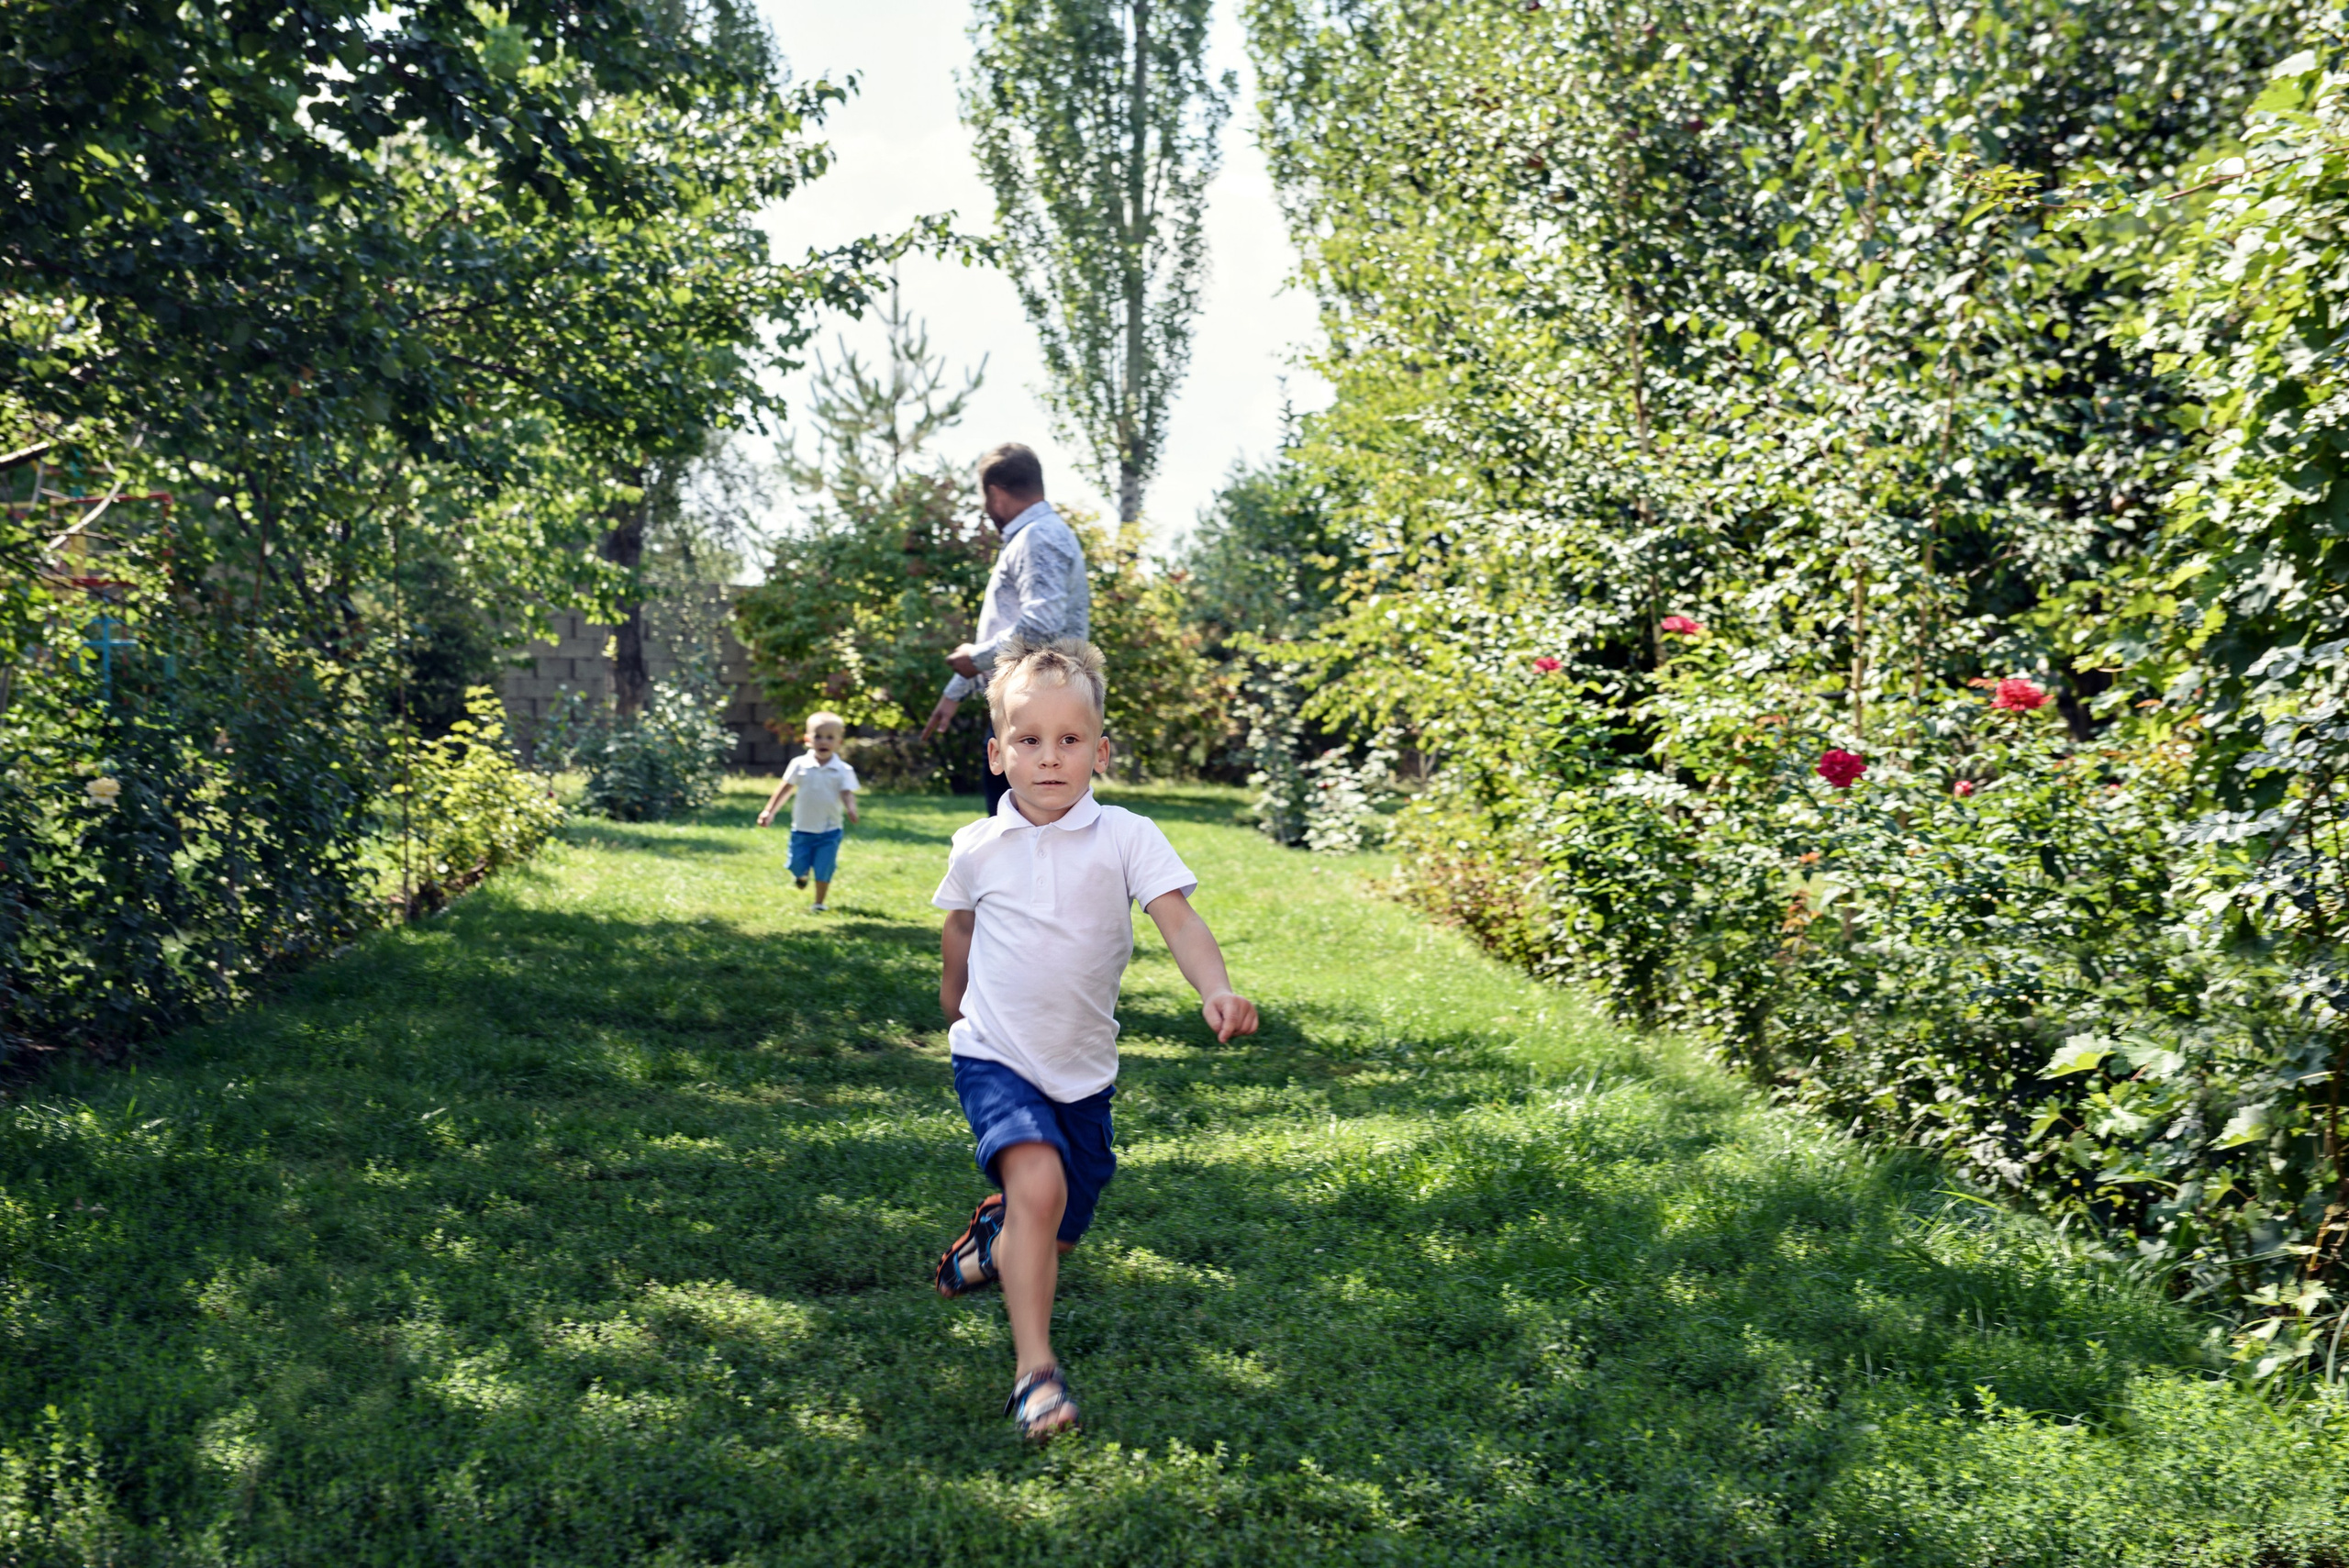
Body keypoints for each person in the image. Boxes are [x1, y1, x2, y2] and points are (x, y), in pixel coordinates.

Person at [928, 635, 1259, 1440]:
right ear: (998, 753)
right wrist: (953, 1003)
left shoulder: (1127, 836)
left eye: (1070, 740)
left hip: (1082, 1072)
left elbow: (1178, 918)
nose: (1050, 758)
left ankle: (993, 1240)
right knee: (1037, 1187)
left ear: (1099, 751)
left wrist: (1215, 986)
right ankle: (1033, 1374)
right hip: (997, 1055)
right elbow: (959, 929)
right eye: (1029, 741)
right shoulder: (978, 845)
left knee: (1058, 1227)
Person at [917, 443, 1090, 816]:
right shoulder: (1038, 535)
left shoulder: (1038, 537)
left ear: (994, 492)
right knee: (1019, 843)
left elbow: (1042, 624)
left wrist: (974, 659)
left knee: (1023, 847)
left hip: (1036, 715)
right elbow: (1012, 628)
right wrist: (957, 688)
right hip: (1035, 711)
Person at [756, 710, 859, 912]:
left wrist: (851, 808)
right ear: (807, 739)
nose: (824, 741)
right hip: (802, 829)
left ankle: (819, 903)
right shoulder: (799, 764)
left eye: (830, 737)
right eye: (818, 736)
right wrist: (769, 811)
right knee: (796, 864)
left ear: (839, 742)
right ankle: (800, 874)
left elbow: (847, 793)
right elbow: (785, 789)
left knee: (824, 867)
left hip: (830, 830)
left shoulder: (843, 770)